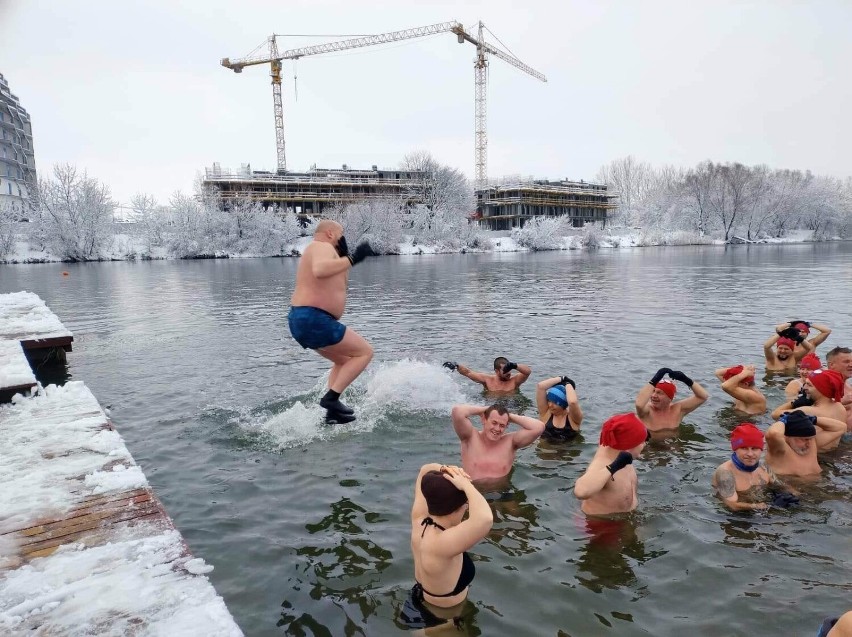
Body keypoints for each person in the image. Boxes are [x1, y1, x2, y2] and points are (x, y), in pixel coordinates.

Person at [288, 220, 376, 423]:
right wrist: (354, 258)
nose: (342, 238)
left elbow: (338, 282)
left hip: (305, 320)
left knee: (344, 360)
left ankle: (331, 412)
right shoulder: (320, 246)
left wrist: (345, 257)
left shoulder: (325, 251)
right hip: (313, 318)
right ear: (329, 233)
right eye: (340, 234)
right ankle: (331, 399)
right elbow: (320, 269)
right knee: (365, 352)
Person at [405, 463, 492, 627]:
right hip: (442, 620)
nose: (467, 507)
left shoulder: (420, 520)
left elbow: (424, 469)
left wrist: (448, 470)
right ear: (458, 507)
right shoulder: (442, 544)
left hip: (420, 601)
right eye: (465, 504)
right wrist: (466, 485)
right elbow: (485, 519)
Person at [573, 413, 649, 515]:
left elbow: (614, 430)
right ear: (629, 445)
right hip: (599, 526)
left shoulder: (623, 458)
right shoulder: (602, 464)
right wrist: (613, 467)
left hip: (624, 520)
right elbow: (580, 492)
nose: (644, 445)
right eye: (642, 442)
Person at [712, 423, 795, 512]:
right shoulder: (725, 473)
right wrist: (761, 506)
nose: (750, 454)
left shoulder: (763, 467)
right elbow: (732, 505)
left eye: (754, 448)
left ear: (761, 450)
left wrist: (794, 494)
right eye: (744, 448)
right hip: (737, 517)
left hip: (761, 507)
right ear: (735, 449)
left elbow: (780, 486)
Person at [450, 403, 545, 480]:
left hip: (502, 494)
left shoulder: (511, 442)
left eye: (502, 425)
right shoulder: (470, 437)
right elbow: (457, 412)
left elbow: (539, 427)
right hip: (472, 492)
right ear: (484, 419)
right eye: (494, 423)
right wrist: (484, 409)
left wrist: (509, 416)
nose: (497, 429)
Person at [771, 369, 847, 450]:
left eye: (809, 385)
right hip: (831, 454)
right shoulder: (840, 407)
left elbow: (775, 414)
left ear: (822, 389)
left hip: (812, 455)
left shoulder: (808, 411)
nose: (804, 388)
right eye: (805, 383)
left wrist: (793, 403)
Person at [764, 410, 845, 477]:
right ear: (786, 437)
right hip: (790, 491)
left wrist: (813, 419)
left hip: (817, 488)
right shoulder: (779, 450)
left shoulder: (811, 443)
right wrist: (783, 421)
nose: (809, 444)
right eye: (805, 439)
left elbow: (841, 428)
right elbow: (773, 434)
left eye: (810, 439)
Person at [634, 367, 709, 431]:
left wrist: (686, 380)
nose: (653, 395)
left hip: (672, 445)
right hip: (651, 446)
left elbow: (703, 396)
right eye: (653, 391)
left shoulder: (678, 410)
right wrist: (655, 379)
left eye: (659, 393)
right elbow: (639, 405)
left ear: (669, 397)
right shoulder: (648, 411)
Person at [443, 357, 531, 393]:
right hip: (491, 405)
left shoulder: (515, 380)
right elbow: (468, 372)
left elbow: (527, 372)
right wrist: (456, 365)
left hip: (512, 405)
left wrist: (515, 365)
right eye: (505, 370)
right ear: (496, 371)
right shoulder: (487, 380)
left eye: (509, 369)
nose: (508, 372)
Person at [536, 376, 583, 441]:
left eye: (555, 402)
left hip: (566, 450)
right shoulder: (545, 413)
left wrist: (568, 384)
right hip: (544, 450)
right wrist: (562, 378)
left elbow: (572, 402)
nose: (550, 405)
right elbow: (540, 386)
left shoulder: (573, 419)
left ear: (563, 404)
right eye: (549, 400)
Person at [826, 346, 852, 433]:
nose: (851, 365)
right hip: (838, 440)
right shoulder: (824, 385)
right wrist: (842, 401)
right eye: (846, 362)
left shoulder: (847, 385)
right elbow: (813, 411)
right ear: (831, 365)